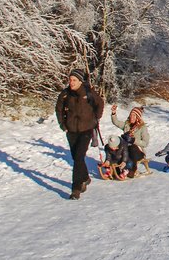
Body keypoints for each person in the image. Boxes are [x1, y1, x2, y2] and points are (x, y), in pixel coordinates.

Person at [55, 69, 104, 200]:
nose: (71, 82)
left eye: (74, 80)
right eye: (70, 80)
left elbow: (100, 103)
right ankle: (85, 178)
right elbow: (58, 109)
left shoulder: (88, 93)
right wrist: (63, 125)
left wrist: (96, 118)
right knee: (77, 158)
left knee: (79, 156)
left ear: (80, 81)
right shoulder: (65, 94)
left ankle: (76, 188)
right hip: (71, 130)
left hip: (86, 129)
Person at [111, 104, 150, 178]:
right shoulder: (126, 125)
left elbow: (145, 143)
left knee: (132, 148)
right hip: (126, 148)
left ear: (137, 117)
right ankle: (116, 169)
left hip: (138, 151)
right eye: (131, 115)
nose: (132, 117)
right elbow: (116, 122)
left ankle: (131, 170)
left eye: (134, 116)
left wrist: (134, 140)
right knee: (118, 149)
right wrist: (113, 113)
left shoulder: (142, 128)